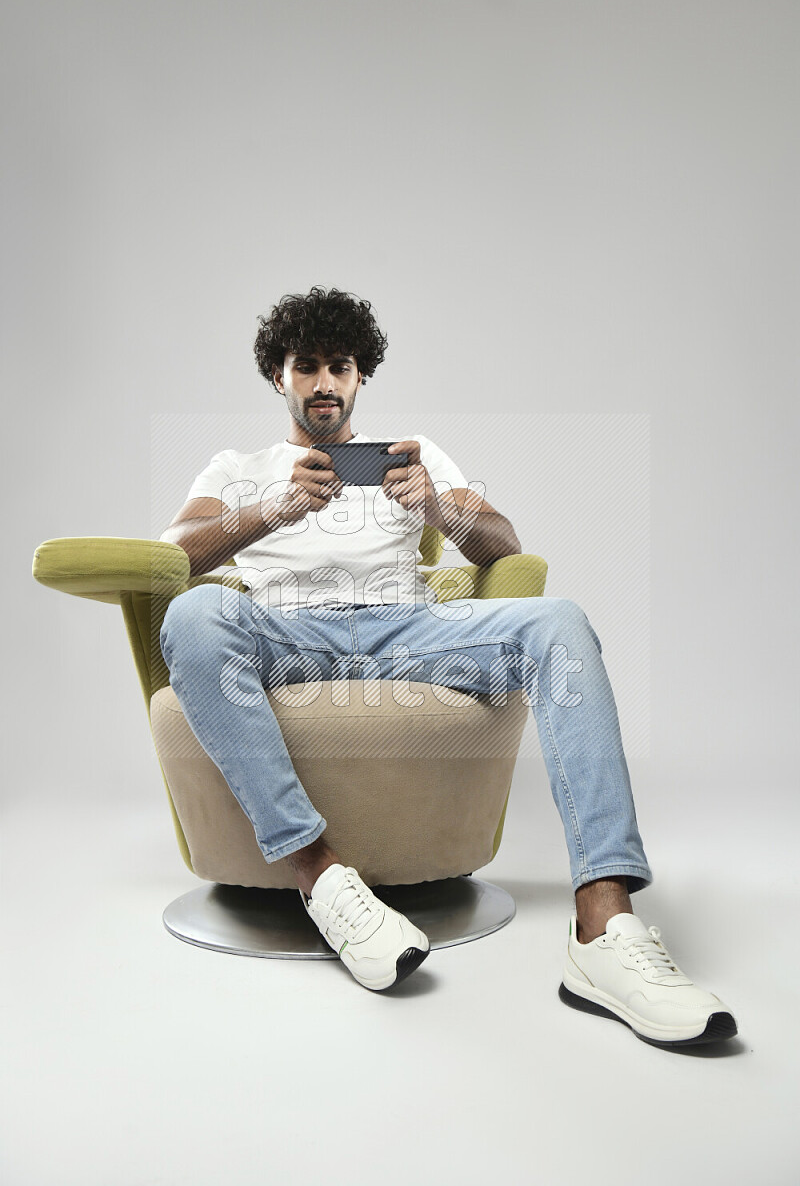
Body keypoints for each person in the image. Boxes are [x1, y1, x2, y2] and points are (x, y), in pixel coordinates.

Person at [158, 285, 738, 1046]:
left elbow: (506, 548)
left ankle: (605, 930)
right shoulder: (240, 466)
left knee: (559, 621)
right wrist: (269, 509)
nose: (324, 383)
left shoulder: (415, 456)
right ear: (279, 376)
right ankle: (323, 880)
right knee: (192, 615)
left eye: (340, 366)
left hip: (410, 630)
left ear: (362, 376)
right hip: (290, 637)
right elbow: (174, 555)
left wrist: (440, 508)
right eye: (308, 367)